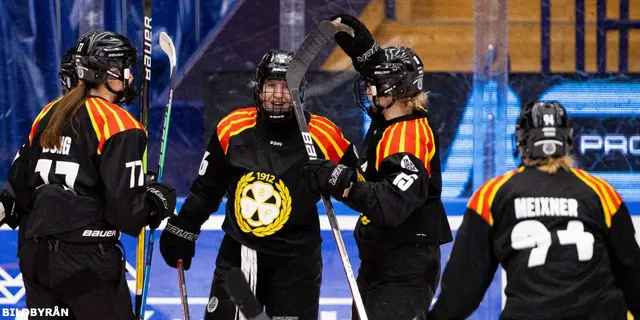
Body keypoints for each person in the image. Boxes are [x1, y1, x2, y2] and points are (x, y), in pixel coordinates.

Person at [159, 49, 359, 320]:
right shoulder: (233, 127)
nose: (278, 95)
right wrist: (184, 227)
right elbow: (206, 190)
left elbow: (360, 188)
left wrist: (339, 179)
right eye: (271, 86)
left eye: (287, 87)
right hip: (241, 256)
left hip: (296, 263)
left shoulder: (324, 135)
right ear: (258, 89)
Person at [6, 30, 176, 319]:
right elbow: (126, 215)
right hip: (85, 264)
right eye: (126, 69)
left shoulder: (48, 113)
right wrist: (156, 201)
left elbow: (17, 192)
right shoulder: (120, 124)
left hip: (35, 258)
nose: (131, 78)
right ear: (107, 72)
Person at [427, 101, 640, 320]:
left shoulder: (494, 194)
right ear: (567, 138)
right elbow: (631, 270)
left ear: (522, 140)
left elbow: (464, 285)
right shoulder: (601, 192)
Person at [301, 14, 453, 320]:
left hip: (405, 267)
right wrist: (368, 56)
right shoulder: (389, 123)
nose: (369, 90)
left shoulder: (408, 134)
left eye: (375, 85)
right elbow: (367, 184)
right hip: (382, 261)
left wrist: (338, 180)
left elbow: (390, 205)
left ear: (396, 89)